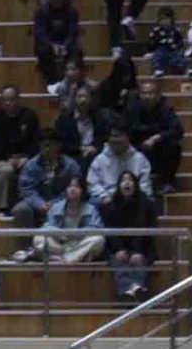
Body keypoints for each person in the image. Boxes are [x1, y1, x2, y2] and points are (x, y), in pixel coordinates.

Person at [9, 131, 82, 259]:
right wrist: (40, 203)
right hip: (37, 204)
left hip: (63, 203)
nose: (47, 149)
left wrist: (54, 204)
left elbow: (74, 188)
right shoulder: (31, 165)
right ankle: (31, 250)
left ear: (58, 146)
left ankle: (65, 250)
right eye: (44, 146)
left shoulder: (71, 165)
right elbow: (26, 189)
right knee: (20, 209)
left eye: (50, 145)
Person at [101, 169, 157, 302]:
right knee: (118, 261)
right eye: (123, 180)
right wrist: (119, 249)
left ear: (136, 184)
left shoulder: (146, 205)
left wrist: (138, 251)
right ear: (118, 185)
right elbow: (109, 232)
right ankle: (136, 289)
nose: (127, 183)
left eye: (130, 180)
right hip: (117, 250)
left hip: (143, 249)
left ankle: (128, 291)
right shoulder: (111, 206)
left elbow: (149, 232)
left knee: (140, 261)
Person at [0, 85, 40, 214]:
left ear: (18, 99)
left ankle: (32, 204)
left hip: (26, 157)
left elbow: (36, 140)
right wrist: (8, 158)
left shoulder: (29, 115)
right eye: (5, 100)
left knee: (32, 168)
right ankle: (2, 208)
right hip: (4, 158)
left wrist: (26, 157)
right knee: (6, 171)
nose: (8, 103)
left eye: (12, 99)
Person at [125, 79, 184, 195]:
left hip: (159, 151)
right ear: (140, 95)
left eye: (151, 93)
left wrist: (156, 138)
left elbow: (178, 130)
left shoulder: (166, 110)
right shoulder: (131, 109)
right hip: (137, 149)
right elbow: (126, 129)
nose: (147, 96)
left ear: (158, 96)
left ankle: (168, 182)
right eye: (144, 93)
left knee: (174, 146)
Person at [35, 175, 105, 264]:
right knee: (38, 238)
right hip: (60, 244)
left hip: (80, 243)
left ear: (82, 190)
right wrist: (61, 234)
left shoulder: (91, 209)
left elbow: (96, 229)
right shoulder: (56, 207)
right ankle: (77, 257)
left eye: (77, 186)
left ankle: (66, 258)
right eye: (70, 186)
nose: (72, 189)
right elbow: (47, 227)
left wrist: (75, 234)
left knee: (98, 239)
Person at [87, 125, 153, 206]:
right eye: (113, 136)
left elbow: (145, 185)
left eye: (119, 135)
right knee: (92, 201)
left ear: (127, 138)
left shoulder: (140, 159)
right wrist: (104, 196)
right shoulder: (99, 160)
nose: (116, 139)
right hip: (108, 198)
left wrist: (133, 196)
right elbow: (92, 184)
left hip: (134, 198)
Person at [33, 0, 81, 86]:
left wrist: (65, 45)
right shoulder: (41, 11)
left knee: (77, 52)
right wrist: (52, 46)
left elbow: (73, 32)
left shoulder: (72, 11)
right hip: (48, 44)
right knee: (43, 52)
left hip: (66, 44)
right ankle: (53, 84)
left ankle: (73, 83)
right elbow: (40, 33)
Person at [148, 6, 187, 77]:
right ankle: (157, 69)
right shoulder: (156, 31)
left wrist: (177, 47)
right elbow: (152, 42)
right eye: (162, 19)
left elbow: (180, 42)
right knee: (158, 54)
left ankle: (180, 67)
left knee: (180, 54)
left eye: (166, 19)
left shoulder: (176, 31)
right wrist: (151, 50)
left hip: (173, 50)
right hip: (161, 49)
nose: (164, 21)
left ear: (171, 19)